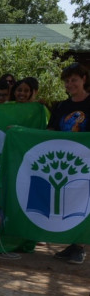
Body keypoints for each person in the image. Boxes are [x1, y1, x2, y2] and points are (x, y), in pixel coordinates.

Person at [48, 62, 90, 264]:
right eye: (67, 81)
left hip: (87, 163)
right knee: (71, 203)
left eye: (74, 80)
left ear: (84, 79)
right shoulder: (62, 106)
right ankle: (74, 244)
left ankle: (81, 247)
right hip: (67, 164)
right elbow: (51, 132)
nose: (70, 84)